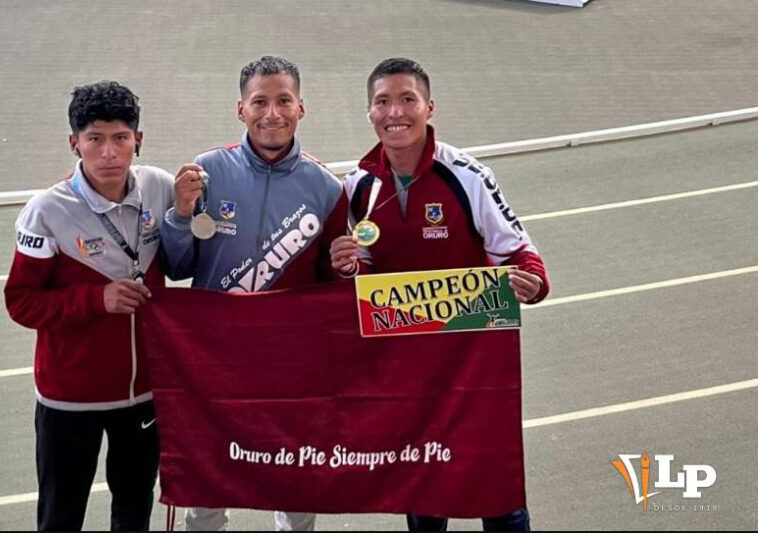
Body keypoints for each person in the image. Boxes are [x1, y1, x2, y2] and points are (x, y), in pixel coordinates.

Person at [329, 57, 550, 532]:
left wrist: (530, 283)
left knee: (497, 494)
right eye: (383, 101)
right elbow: (359, 277)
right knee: (424, 488)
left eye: (408, 99)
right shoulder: (356, 188)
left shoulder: (467, 176)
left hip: (472, 369)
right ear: (369, 112)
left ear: (430, 107)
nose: (396, 112)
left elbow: (520, 254)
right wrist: (345, 266)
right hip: (406, 372)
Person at [159, 55, 348, 531]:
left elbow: (332, 287)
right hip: (212, 361)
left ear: (301, 107)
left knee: (296, 482)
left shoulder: (326, 187)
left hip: (290, 366)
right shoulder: (205, 172)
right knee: (206, 484)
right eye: (259, 101)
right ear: (239, 109)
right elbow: (179, 267)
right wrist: (180, 216)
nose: (272, 113)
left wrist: (348, 269)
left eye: (283, 100)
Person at [4, 81, 175, 532]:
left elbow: (190, 240)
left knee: (135, 508)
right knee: (62, 515)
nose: (108, 152)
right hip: (69, 400)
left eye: (120, 137)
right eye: (94, 139)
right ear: (74, 143)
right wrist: (96, 299)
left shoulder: (160, 187)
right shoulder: (45, 210)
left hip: (143, 396)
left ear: (138, 139)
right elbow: (21, 302)